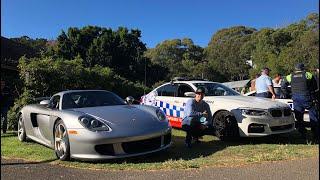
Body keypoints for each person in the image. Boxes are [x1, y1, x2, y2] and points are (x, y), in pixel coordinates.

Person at [281, 63, 319, 143]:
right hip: (307, 97)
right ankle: (315, 135)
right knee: (313, 115)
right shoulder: (307, 74)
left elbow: (283, 86)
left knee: (299, 117)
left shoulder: (290, 76)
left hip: (296, 98)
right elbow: (315, 86)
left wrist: (289, 94)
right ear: (303, 68)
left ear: (295, 69)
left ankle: (303, 133)